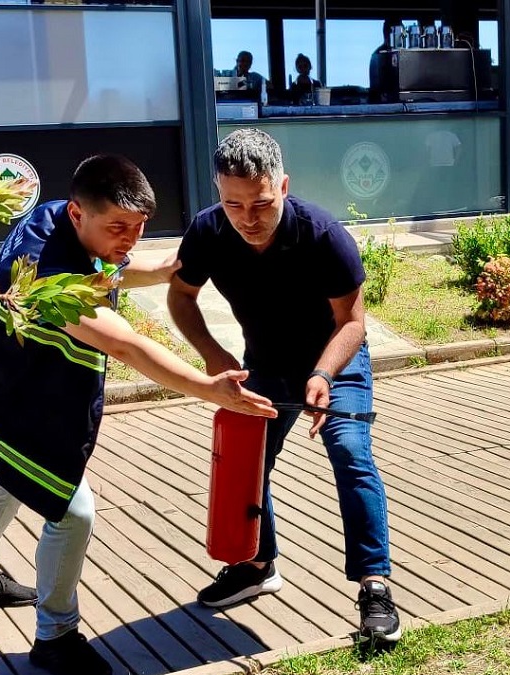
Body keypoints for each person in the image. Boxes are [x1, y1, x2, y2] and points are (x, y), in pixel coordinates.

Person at [0, 154, 277, 675]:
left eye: (138, 229)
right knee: (72, 513)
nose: (128, 240)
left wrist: (172, 265)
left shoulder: (57, 217)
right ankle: (55, 635)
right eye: (117, 228)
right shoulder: (45, 277)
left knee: (5, 480)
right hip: (3, 405)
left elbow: (115, 268)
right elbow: (128, 345)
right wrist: (207, 387)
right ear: (79, 215)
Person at [167, 128, 402, 644]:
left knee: (350, 452)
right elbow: (180, 296)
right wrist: (214, 354)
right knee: (247, 460)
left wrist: (322, 374)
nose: (248, 218)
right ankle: (256, 564)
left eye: (261, 203)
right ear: (218, 193)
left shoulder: (323, 235)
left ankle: (375, 586)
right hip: (264, 364)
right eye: (234, 204)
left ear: (284, 186)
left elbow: (353, 322)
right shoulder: (208, 232)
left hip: (335, 359)